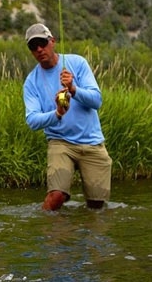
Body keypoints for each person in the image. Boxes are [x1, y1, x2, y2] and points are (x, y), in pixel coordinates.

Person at [22, 23, 112, 210]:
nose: (39, 49)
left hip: (92, 141)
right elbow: (32, 120)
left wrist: (73, 89)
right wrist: (57, 113)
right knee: (56, 196)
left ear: (52, 41)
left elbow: (96, 100)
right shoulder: (31, 82)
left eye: (42, 43)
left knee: (97, 206)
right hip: (60, 142)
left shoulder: (77, 63)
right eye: (33, 46)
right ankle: (49, 235)